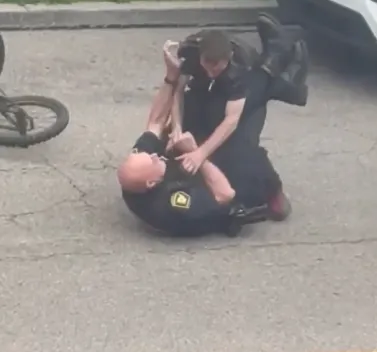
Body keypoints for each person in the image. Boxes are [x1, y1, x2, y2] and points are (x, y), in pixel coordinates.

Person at [118, 28, 303, 236]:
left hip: (193, 168)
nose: (153, 154)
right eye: (153, 159)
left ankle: (276, 68)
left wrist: (171, 77)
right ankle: (273, 192)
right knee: (245, 147)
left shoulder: (140, 171)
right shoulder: (172, 203)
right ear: (152, 183)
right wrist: (199, 155)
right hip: (221, 186)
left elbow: (155, 122)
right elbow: (225, 193)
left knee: (204, 105)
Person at [170, 14, 307, 175]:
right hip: (206, 89)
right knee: (199, 108)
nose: (210, 73)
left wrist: (201, 154)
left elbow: (231, 119)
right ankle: (277, 69)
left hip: (234, 89)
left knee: (235, 131)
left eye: (216, 69)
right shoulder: (191, 52)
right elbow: (177, 90)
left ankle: (274, 64)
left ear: (229, 58)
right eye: (206, 67)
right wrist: (176, 126)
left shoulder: (241, 66)